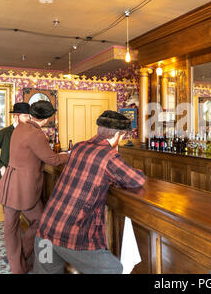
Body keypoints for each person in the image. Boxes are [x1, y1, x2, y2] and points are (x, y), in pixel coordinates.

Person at [34, 110, 146, 274]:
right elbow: (136, 180)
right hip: (71, 235)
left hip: (45, 231)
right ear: (118, 136)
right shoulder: (109, 156)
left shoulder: (79, 146)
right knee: (113, 269)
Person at [0, 100, 69, 274]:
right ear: (46, 118)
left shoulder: (20, 127)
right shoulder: (36, 134)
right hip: (23, 188)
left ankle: (18, 264)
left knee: (11, 229)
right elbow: (52, 159)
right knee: (41, 221)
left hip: (9, 184)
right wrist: (69, 155)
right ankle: (20, 261)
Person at [0, 102, 31, 190]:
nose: (28, 119)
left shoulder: (31, 133)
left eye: (29, 116)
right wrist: (1, 168)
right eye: (25, 116)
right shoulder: (4, 133)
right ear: (15, 116)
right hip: (8, 178)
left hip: (25, 179)